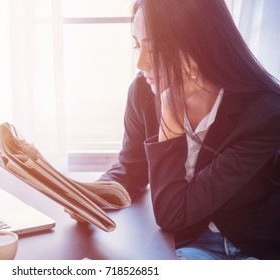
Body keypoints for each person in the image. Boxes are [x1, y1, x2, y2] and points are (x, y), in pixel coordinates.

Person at [98, 0, 280, 259]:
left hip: (253, 247)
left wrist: (170, 120)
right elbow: (131, 169)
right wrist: (88, 195)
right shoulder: (142, 93)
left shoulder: (264, 113)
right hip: (191, 243)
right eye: (137, 45)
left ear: (200, 43)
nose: (140, 62)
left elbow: (172, 215)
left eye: (154, 48)